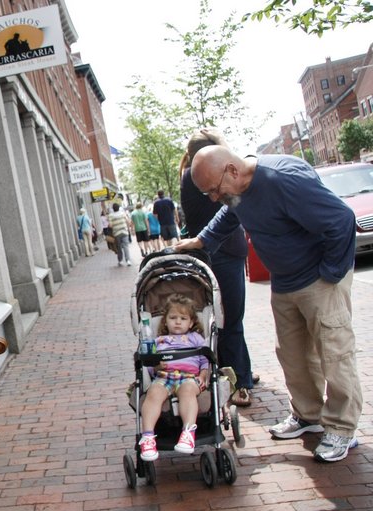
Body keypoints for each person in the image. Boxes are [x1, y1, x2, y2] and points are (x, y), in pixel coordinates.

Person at [176, 145, 362, 463]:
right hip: (285, 281)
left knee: (334, 353)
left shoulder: (282, 180)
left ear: (232, 170)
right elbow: (229, 213)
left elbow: (342, 220)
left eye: (214, 189)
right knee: (292, 354)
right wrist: (202, 240)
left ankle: (342, 430)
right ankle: (308, 415)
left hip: (319, 279)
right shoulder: (236, 189)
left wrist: (330, 274)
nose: (213, 198)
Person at [178, 128, 255, 407]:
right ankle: (239, 384)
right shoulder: (200, 176)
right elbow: (237, 188)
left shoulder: (188, 175)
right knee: (229, 321)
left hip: (220, 254)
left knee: (229, 320)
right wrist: (223, 143)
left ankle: (240, 370)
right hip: (221, 255)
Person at [138, 294, 209, 461]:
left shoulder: (195, 338)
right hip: (164, 376)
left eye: (183, 318)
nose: (177, 321)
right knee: (153, 393)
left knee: (187, 391)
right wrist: (155, 366)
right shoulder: (158, 341)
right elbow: (149, 365)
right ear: (165, 321)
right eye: (173, 317)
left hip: (189, 377)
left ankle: (188, 433)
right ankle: (148, 437)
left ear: (191, 322)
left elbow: (205, 359)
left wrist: (203, 374)